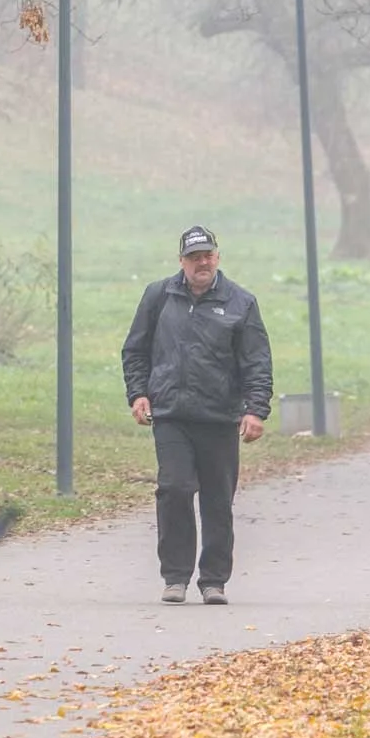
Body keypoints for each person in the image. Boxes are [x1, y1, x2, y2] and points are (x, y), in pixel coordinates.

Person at [120, 225, 272, 606]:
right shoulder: (158, 296)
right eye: (194, 257)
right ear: (181, 262)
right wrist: (138, 393)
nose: (201, 263)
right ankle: (175, 576)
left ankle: (213, 580)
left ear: (217, 258)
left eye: (207, 255)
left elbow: (256, 361)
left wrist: (255, 410)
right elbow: (135, 350)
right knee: (174, 488)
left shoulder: (241, 302)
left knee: (217, 500)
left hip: (220, 417)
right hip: (171, 413)